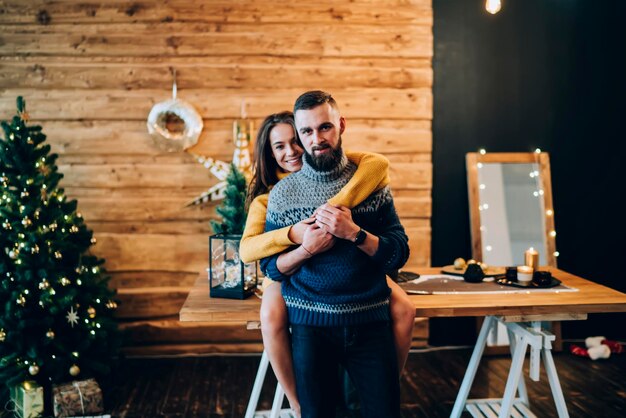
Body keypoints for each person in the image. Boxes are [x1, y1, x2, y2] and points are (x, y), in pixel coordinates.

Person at [240, 111, 415, 416]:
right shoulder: (270, 198)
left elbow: (375, 163)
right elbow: (253, 251)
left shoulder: (351, 175)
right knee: (271, 313)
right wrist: (295, 233)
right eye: (279, 147)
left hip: (355, 282)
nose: (292, 151)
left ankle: (382, 383)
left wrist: (337, 212)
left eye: (296, 140)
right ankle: (296, 401)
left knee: (403, 307)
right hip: (291, 270)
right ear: (269, 154)